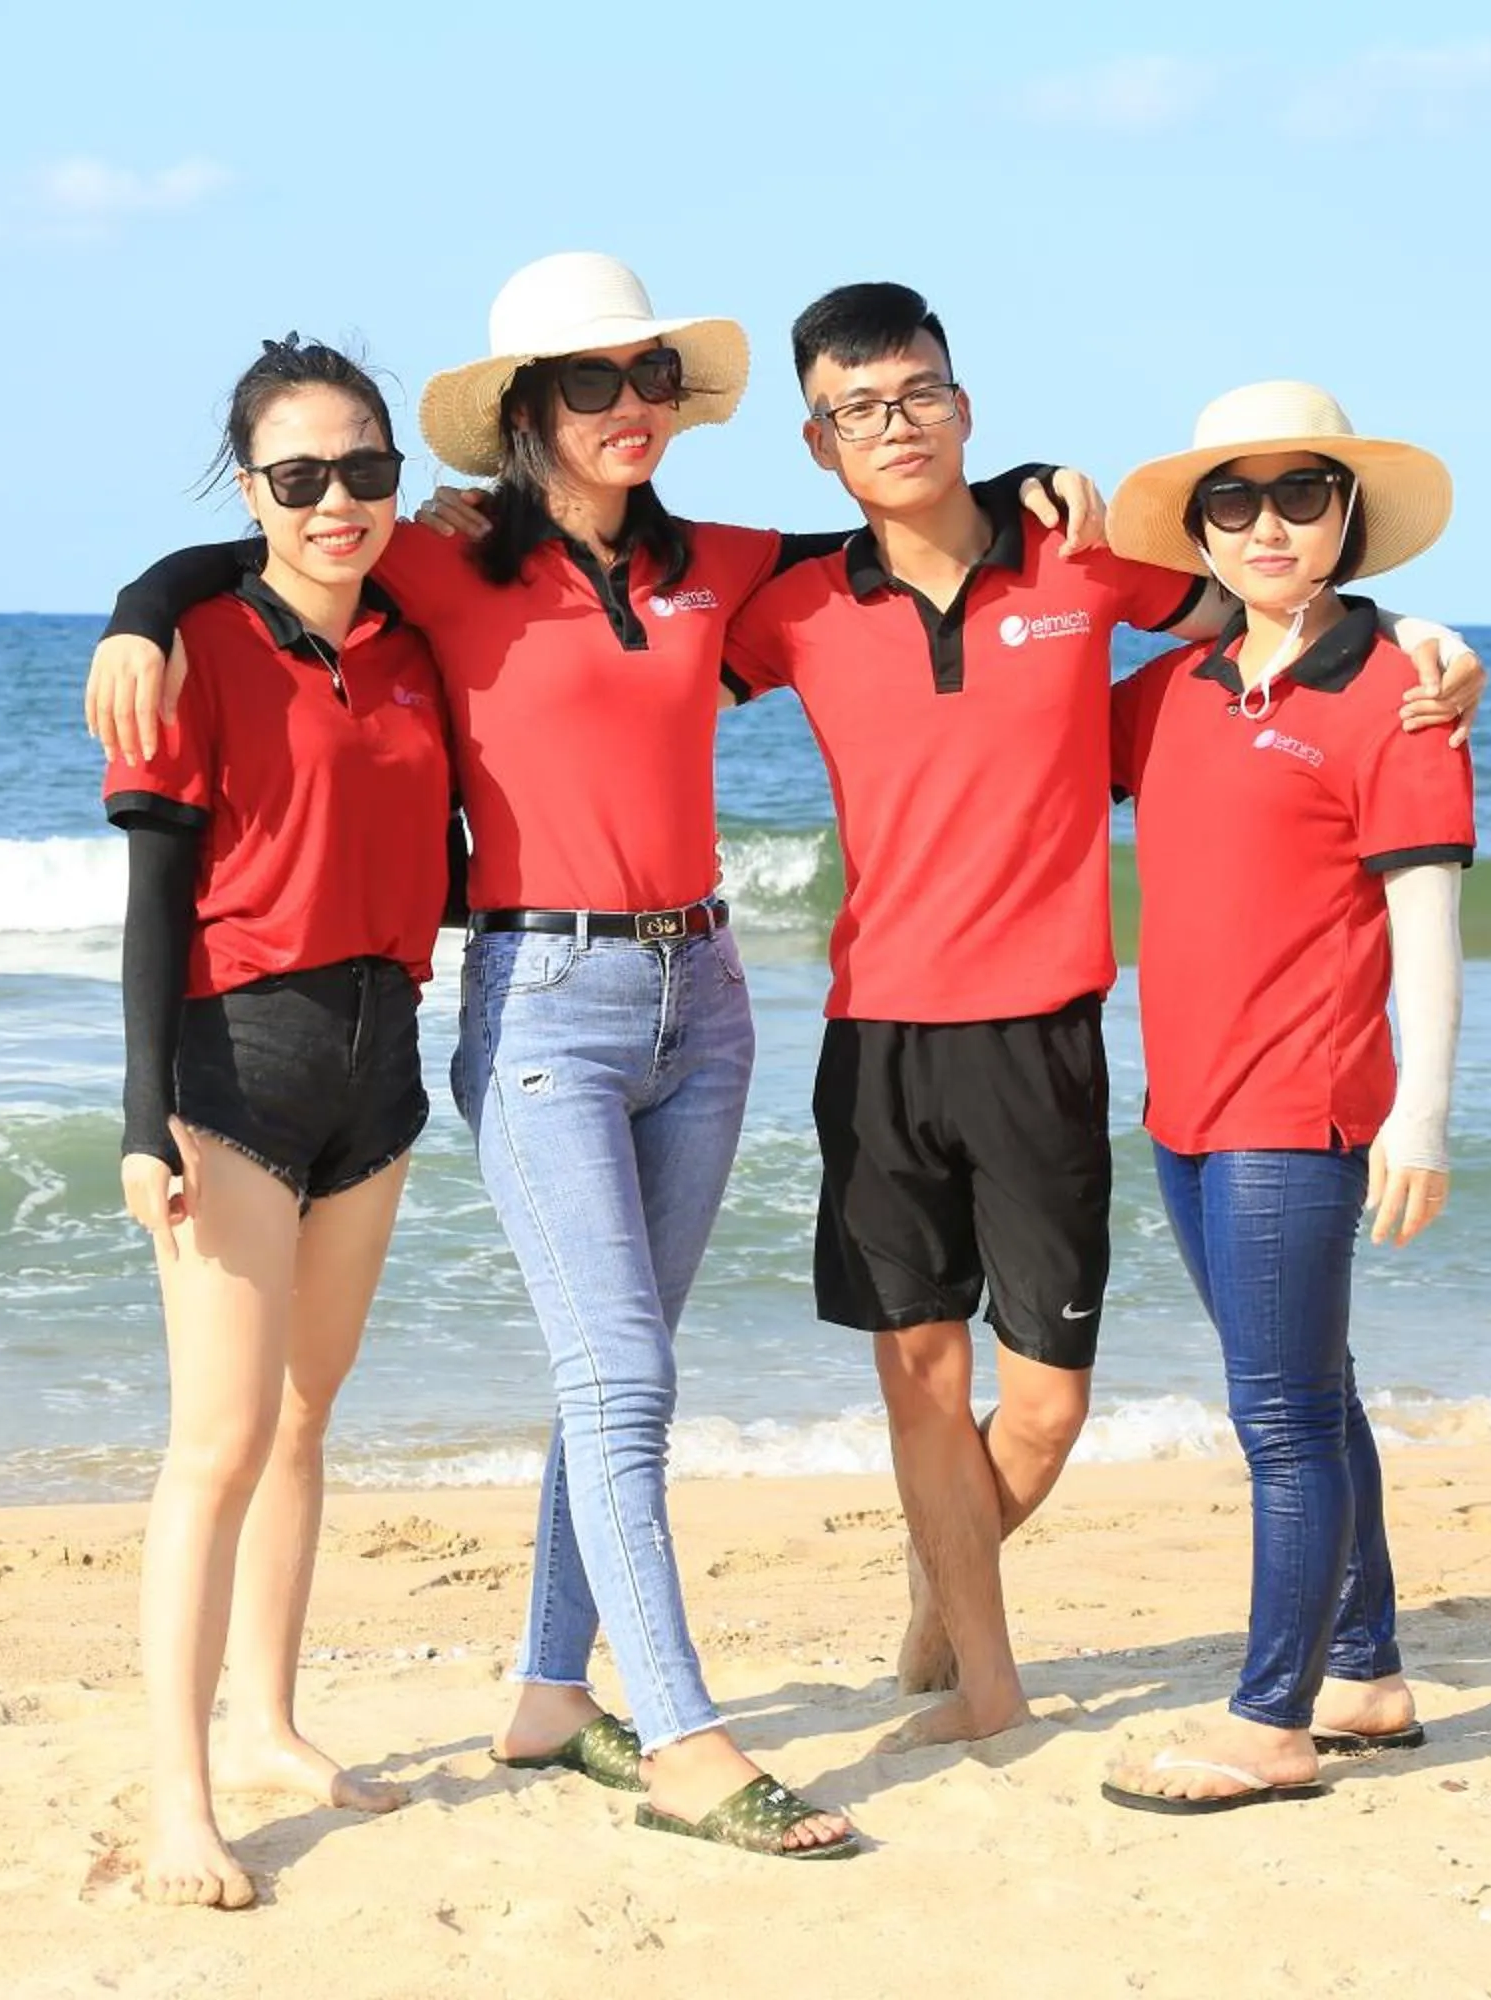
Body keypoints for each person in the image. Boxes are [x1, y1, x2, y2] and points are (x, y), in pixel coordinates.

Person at [89, 255, 1085, 1858]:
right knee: (619, 1375)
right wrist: (146, 608)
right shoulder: (443, 556)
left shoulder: (727, 565)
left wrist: (1026, 492)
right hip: (542, 1004)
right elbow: (286, 543)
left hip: (709, 1003)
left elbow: (897, 550)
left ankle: (553, 1688)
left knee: (621, 1373)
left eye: (650, 380)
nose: (630, 410)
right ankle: (682, 1735)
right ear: (525, 415)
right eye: (589, 385)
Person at [721, 286, 1489, 1748]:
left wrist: (1428, 649)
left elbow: (1266, 628)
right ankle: (999, 1670)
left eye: (922, 394)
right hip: (876, 1042)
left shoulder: (1081, 562)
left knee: (1052, 1409)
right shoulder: (799, 605)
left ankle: (955, 1596)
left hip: (1048, 1043)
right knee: (929, 1386)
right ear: (819, 442)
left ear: (966, 404)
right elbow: (628, 673)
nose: (898, 425)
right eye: (861, 408)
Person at [1098, 381, 1474, 1813]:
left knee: (1280, 1421)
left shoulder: (1401, 692)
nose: (1269, 526)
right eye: (1233, 502)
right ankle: (1368, 1669)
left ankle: (1272, 1718)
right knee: (1318, 1392)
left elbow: (1429, 925)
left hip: (1299, 1105)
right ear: (1200, 530)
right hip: (1182, 1107)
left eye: (1300, 496)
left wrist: (1421, 1117)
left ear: (1349, 516)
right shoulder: (1172, 694)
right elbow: (1049, 682)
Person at [104, 335, 448, 1903]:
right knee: (219, 1441)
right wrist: (140, 1117)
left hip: (384, 1063)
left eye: (363, 470)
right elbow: (155, 900)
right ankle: (179, 1797)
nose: (335, 502)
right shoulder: (196, 649)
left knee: (309, 1418)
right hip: (238, 1066)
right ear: (251, 489)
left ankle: (268, 1724)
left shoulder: (415, 636)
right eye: (298, 477)